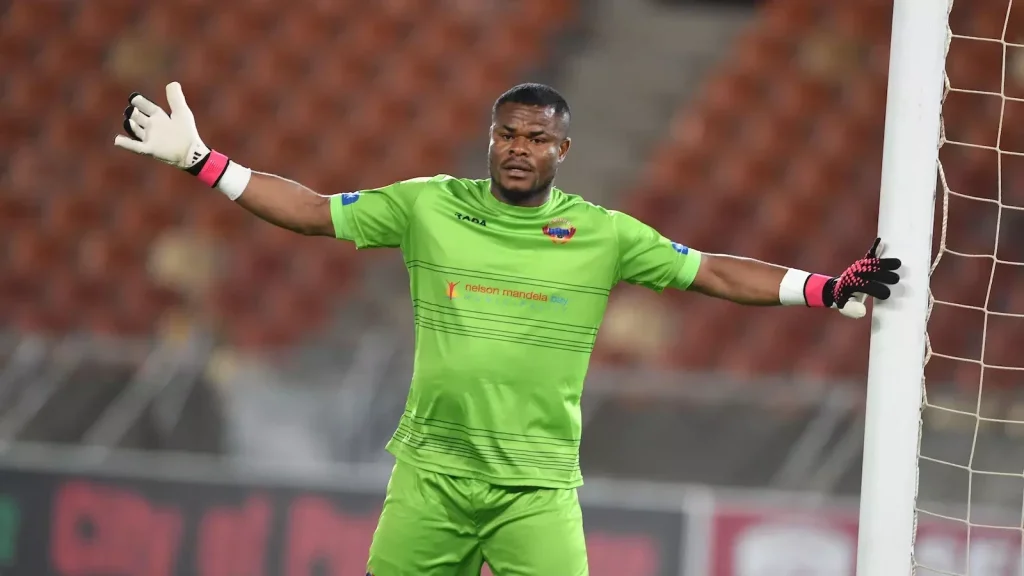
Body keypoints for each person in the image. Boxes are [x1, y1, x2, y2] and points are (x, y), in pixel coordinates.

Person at [114, 81, 901, 576]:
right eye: (507, 134)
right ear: (491, 137)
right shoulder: (429, 205)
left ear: (563, 149)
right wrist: (203, 161)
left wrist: (824, 289)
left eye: (536, 138)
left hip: (536, 488)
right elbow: (314, 212)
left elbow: (714, 273)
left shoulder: (604, 234)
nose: (518, 149)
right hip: (430, 476)